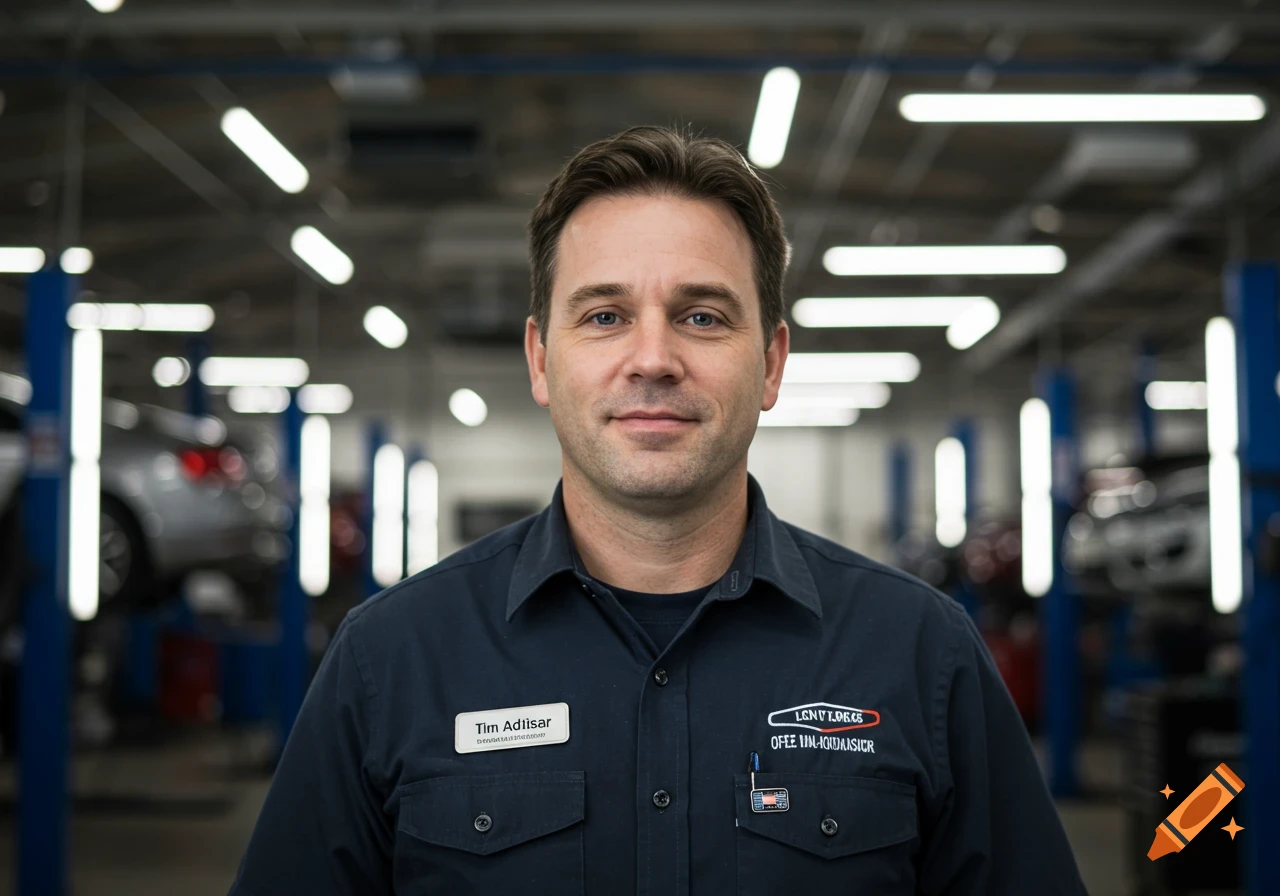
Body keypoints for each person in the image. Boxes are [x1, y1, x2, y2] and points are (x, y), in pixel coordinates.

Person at [228, 125, 1087, 895]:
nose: (652, 358)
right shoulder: (391, 659)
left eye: (702, 316)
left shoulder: (921, 655)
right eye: (605, 315)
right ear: (541, 359)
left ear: (771, 363)